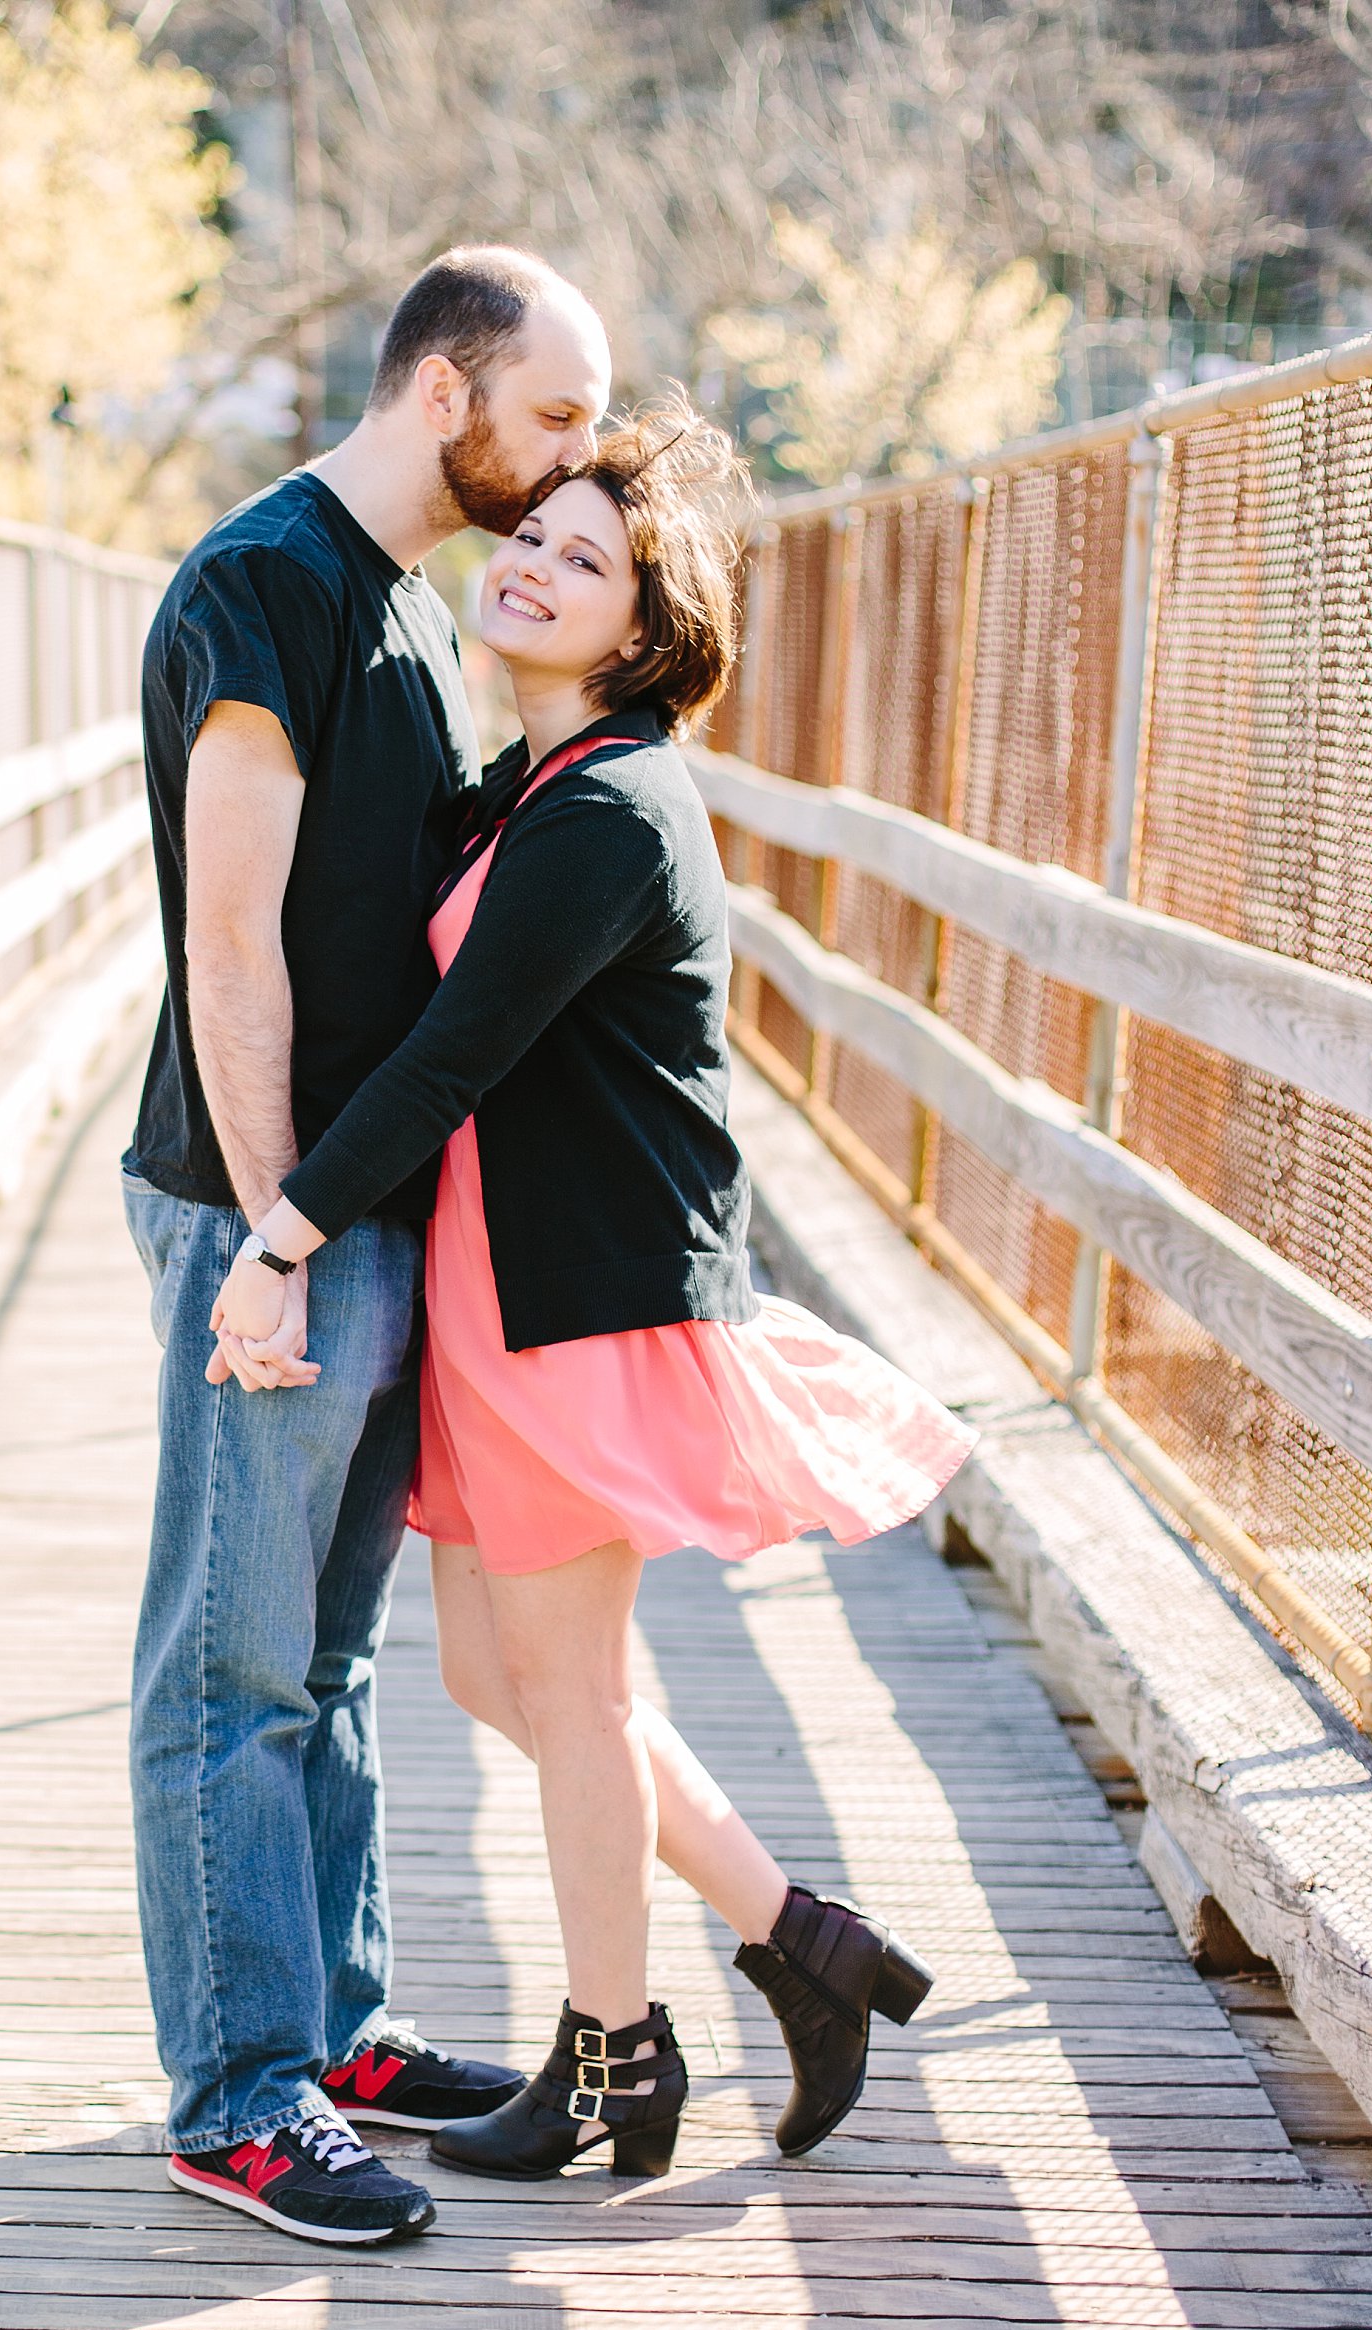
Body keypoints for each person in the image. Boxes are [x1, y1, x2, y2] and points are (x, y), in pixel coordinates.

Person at [212, 397, 974, 2184]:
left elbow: (450, 1056)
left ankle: (617, 2059)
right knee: (501, 1670)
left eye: (589, 561)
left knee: (567, 1691)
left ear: (645, 629)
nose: (538, 570)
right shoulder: (530, 786)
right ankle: (805, 1940)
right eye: (534, 538)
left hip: (584, 1307)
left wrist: (282, 1232)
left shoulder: (616, 808)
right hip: (505, 1292)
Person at [122, 246, 612, 2248]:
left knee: (324, 1654)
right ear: (442, 391)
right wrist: (269, 1237)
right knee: (228, 1658)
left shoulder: (408, 608)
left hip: (361, 1212)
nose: (580, 452)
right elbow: (226, 943)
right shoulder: (264, 591)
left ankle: (331, 2021)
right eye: (559, 416)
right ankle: (238, 2094)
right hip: (268, 1219)